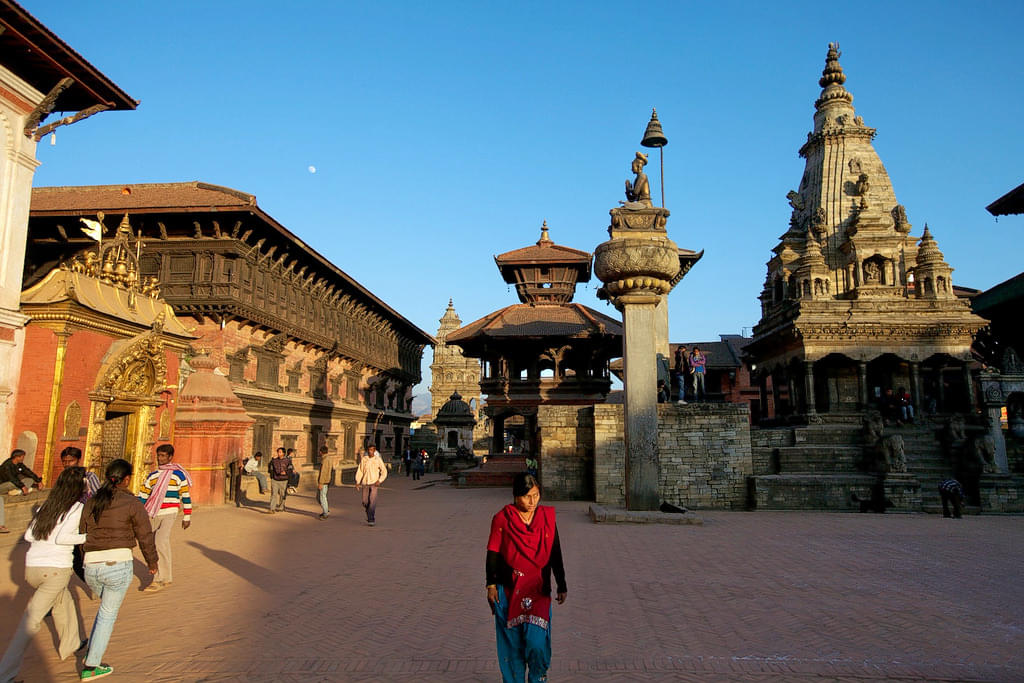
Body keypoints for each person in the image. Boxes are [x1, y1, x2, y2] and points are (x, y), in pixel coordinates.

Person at [0, 467, 88, 681]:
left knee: (63, 600)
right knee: (29, 623)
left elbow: (30, 535)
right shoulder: (77, 508)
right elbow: (63, 539)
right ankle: (4, 674)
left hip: (33, 569)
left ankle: (71, 643)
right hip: (55, 570)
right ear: (78, 486)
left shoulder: (48, 506)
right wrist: (86, 537)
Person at [79, 458, 158, 680]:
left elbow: (82, 532)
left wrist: (85, 559)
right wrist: (152, 562)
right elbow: (145, 535)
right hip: (117, 564)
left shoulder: (92, 501)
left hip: (91, 566)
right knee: (107, 614)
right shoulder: (132, 503)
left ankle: (92, 651)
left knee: (105, 610)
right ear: (127, 479)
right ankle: (92, 665)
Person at [486, 472, 567, 683]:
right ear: (516, 496)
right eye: (527, 496)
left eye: (536, 495)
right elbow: (493, 552)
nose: (532, 501)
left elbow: (555, 551)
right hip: (509, 589)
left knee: (536, 642)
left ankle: (538, 676)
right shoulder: (502, 519)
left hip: (538, 589)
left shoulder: (547, 518)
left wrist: (561, 583)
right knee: (512, 645)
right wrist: (491, 585)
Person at [137, 444, 192, 592]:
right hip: (153, 513)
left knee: (160, 540)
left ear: (170, 457)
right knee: (153, 544)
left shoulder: (178, 475)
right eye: (158, 456)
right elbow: (143, 495)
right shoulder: (153, 476)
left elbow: (185, 496)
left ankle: (159, 579)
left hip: (170, 512)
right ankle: (166, 576)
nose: (160, 459)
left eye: (163, 456)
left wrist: (187, 515)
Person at [60, 446, 101, 581]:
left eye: (70, 461)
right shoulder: (62, 479)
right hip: (69, 522)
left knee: (90, 553)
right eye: (64, 461)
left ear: (78, 460)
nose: (67, 464)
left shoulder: (89, 477)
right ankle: (91, 582)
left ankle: (98, 581)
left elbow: (98, 498)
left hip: (87, 520)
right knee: (75, 557)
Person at [355, 445, 387, 526]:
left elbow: (384, 471)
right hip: (365, 483)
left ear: (374, 451)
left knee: (372, 501)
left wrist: (379, 480)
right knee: (365, 501)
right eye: (369, 450)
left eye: (372, 450)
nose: (370, 451)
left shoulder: (378, 460)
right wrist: (358, 481)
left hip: (374, 483)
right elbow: (360, 471)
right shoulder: (364, 459)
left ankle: (371, 519)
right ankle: (368, 512)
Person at [268, 447, 293, 513]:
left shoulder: (288, 461)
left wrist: (286, 472)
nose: (279, 453)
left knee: (282, 494)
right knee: (274, 494)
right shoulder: (274, 461)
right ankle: (272, 508)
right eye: (278, 452)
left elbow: (291, 470)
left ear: (283, 453)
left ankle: (281, 507)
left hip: (284, 480)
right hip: (275, 480)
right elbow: (270, 469)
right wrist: (272, 475)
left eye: (280, 452)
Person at [317, 445, 338, 520]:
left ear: (320, 452)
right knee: (320, 497)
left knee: (322, 497)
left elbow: (323, 472)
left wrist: (321, 482)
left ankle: (326, 512)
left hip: (324, 481)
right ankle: (326, 509)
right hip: (327, 480)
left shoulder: (325, 460)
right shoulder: (329, 459)